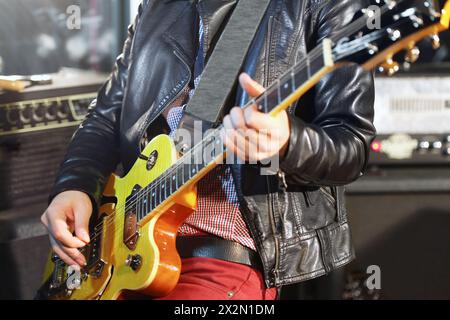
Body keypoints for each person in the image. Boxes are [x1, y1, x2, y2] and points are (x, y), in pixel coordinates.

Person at [41, 0, 376, 300]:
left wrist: (288, 141)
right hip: (126, 244)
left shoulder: (328, 5)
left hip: (224, 255)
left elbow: (351, 145)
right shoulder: (157, 6)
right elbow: (106, 115)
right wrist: (74, 186)